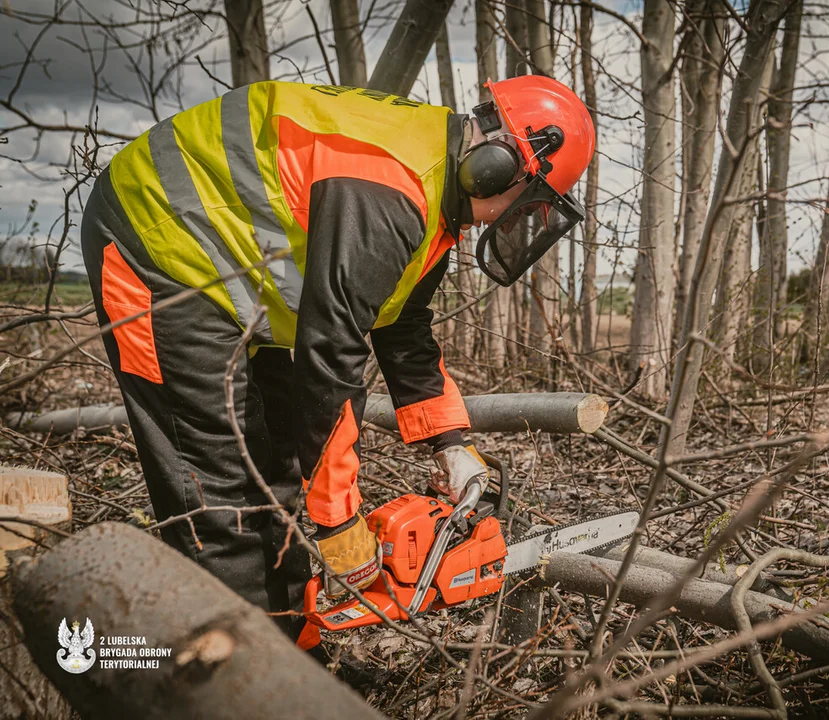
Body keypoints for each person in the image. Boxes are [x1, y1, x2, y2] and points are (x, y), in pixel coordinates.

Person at [80, 76, 595, 645]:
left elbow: (404, 328)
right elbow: (331, 353)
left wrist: (450, 445)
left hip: (238, 277)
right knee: (216, 492)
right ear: (498, 166)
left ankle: (293, 653)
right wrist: (339, 521)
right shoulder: (389, 190)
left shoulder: (431, 196)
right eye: (518, 204)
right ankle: (235, 680)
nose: (500, 218)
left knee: (274, 467)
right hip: (154, 243)